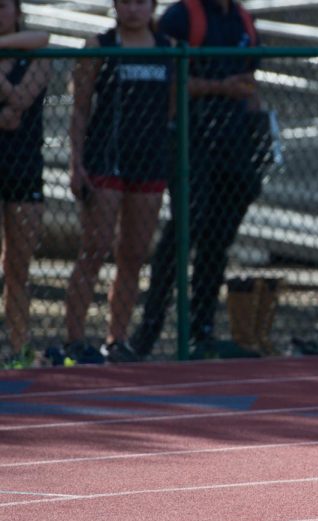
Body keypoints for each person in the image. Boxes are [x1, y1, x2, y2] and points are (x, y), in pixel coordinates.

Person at [129, 0, 265, 359]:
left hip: (233, 144)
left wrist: (254, 115)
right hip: (191, 141)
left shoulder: (243, 20)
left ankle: (201, 330)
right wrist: (221, 87)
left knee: (217, 239)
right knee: (187, 224)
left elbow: (250, 81)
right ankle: (149, 329)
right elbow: (169, 83)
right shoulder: (181, 16)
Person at [63, 0, 172, 364]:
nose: (133, 9)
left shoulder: (167, 48)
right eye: (126, 1)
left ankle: (117, 339)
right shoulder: (100, 45)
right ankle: (75, 340)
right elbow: (79, 107)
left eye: (141, 2)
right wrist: (76, 163)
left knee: (134, 255)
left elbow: (172, 106)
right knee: (94, 249)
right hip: (104, 161)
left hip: (149, 164)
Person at [0, 0, 50, 369]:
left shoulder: (37, 55)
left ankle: (20, 347)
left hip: (24, 168)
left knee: (18, 266)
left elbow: (20, 99)